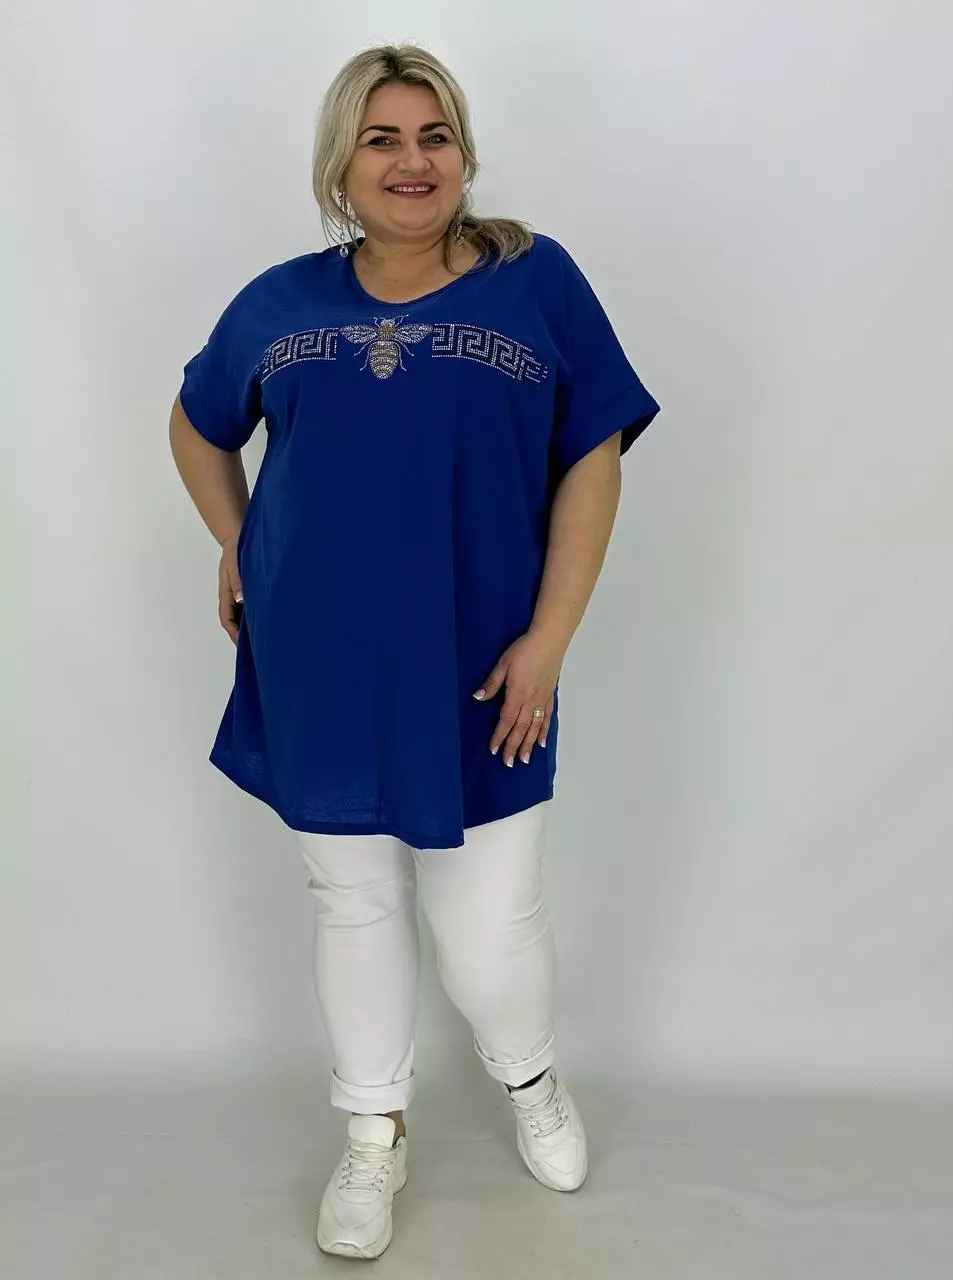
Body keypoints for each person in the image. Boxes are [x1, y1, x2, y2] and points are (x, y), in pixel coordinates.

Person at [169, 43, 660, 1261]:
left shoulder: (536, 282)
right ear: (340, 166)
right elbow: (197, 420)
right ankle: (372, 1132)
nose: (411, 160)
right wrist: (237, 539)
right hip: (319, 656)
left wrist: (549, 639)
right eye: (381, 138)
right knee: (355, 899)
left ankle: (529, 1072)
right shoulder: (280, 302)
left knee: (489, 924)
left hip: (485, 665)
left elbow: (592, 456)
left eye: (433, 135)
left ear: (464, 153)